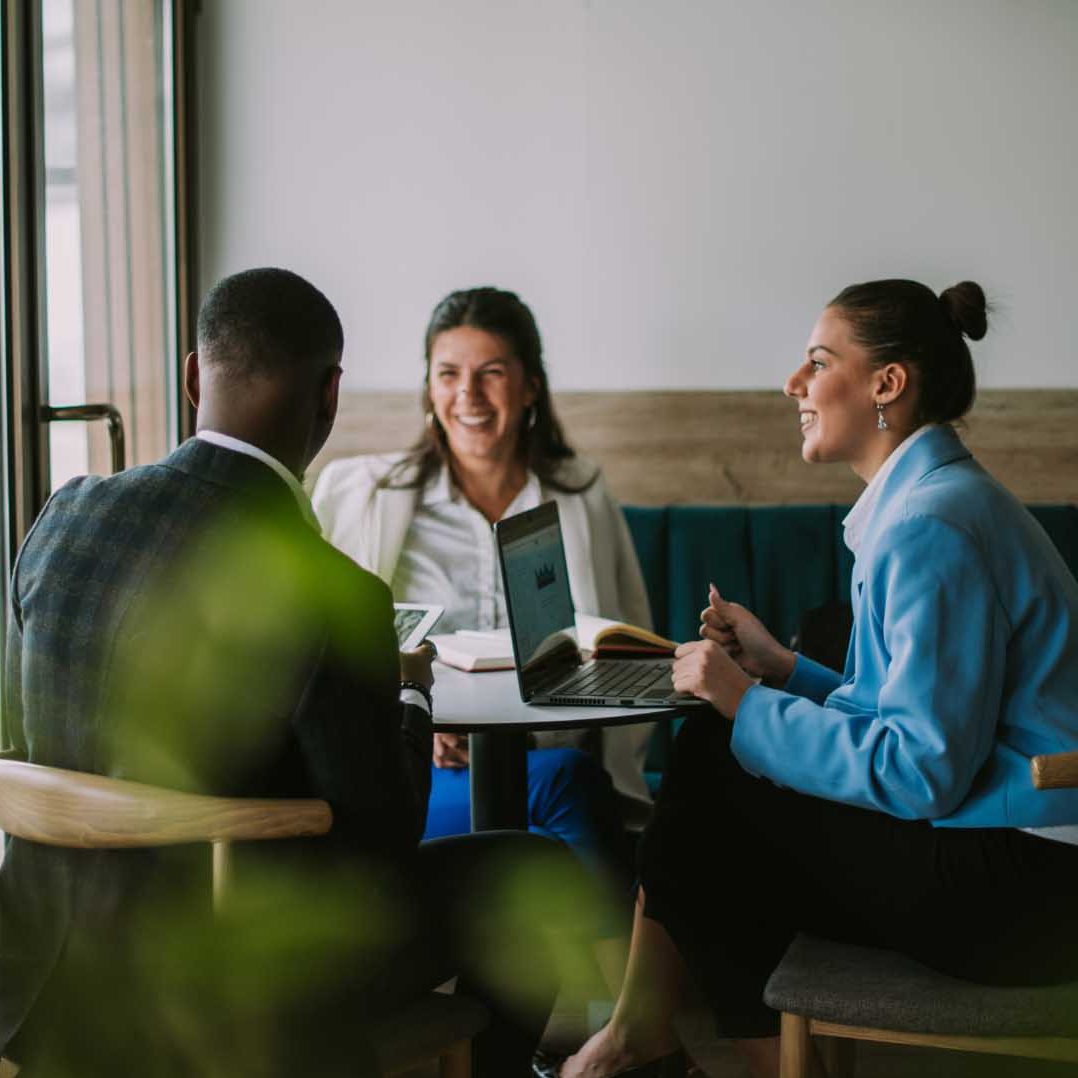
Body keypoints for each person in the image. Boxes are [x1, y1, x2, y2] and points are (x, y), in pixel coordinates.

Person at [0, 268, 579, 1078]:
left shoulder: (65, 516)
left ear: (196, 375)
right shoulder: (332, 596)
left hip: (41, 972)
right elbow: (382, 839)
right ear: (329, 395)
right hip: (237, 978)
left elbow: (21, 736)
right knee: (532, 869)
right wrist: (411, 688)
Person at [560, 279, 1078, 1078]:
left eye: (817, 362)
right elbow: (917, 719)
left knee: (714, 770)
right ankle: (661, 1043)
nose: (793, 385)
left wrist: (742, 699)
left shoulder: (929, 525)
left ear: (887, 384)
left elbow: (922, 770)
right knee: (722, 793)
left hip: (1025, 889)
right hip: (1016, 857)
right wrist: (784, 671)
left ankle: (651, 1042)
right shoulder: (938, 502)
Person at [312, 286, 654, 894]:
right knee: (568, 790)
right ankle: (625, 986)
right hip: (412, 771)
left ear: (529, 388)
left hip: (542, 755)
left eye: (491, 373)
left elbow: (620, 644)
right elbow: (324, 655)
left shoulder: (581, 496)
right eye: (449, 373)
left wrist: (531, 735)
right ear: (429, 390)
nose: (468, 394)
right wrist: (418, 722)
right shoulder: (363, 496)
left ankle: (581, 987)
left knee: (565, 785)